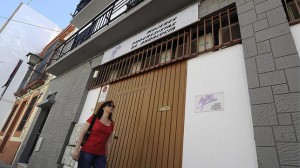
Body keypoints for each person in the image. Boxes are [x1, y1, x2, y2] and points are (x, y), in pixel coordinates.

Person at [72, 100, 115, 168]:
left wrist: (107, 156)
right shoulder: (94, 118)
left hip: (101, 155)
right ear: (103, 107)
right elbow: (82, 133)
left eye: (113, 106)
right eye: (109, 105)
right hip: (87, 151)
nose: (112, 107)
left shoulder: (112, 124)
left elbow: (109, 142)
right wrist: (76, 150)